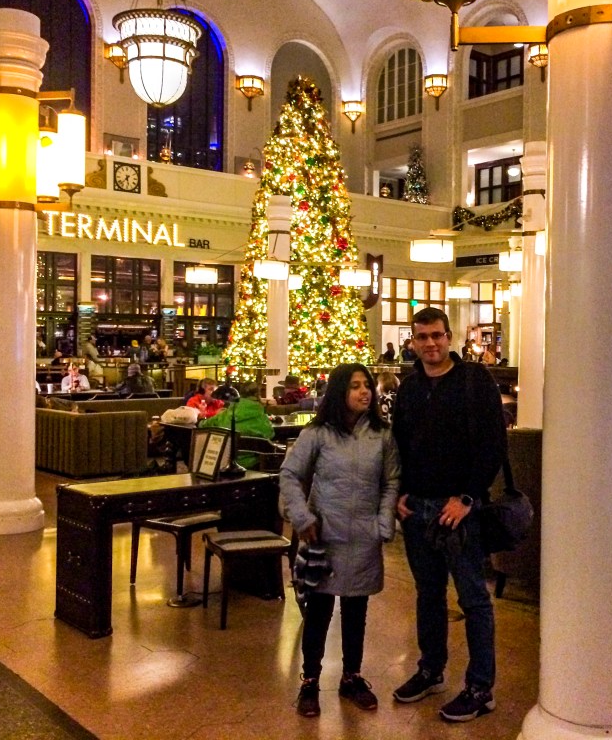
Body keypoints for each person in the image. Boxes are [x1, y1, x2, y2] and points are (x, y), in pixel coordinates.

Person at [391, 307, 506, 723]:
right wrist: (400, 492)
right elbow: (400, 444)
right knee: (428, 594)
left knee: (473, 598)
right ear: (413, 342)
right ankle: (431, 669)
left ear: (449, 337)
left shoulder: (474, 380)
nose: (430, 343)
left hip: (460, 510)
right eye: (422, 337)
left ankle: (480, 687)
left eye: (436, 335)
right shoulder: (409, 387)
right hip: (418, 509)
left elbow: (493, 444)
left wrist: (468, 497)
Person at [278, 363, 400, 718]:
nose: (364, 392)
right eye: (355, 386)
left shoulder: (381, 435)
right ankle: (310, 680)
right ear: (339, 392)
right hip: (325, 537)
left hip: (363, 537)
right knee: (318, 612)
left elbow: (391, 480)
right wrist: (302, 518)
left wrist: (383, 522)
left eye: (367, 386)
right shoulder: (318, 433)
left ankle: (352, 677)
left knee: (356, 611)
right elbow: (290, 474)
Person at [199, 382, 274, 468]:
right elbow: (270, 434)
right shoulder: (261, 415)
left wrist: (201, 419)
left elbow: (202, 425)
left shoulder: (226, 414)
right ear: (258, 395)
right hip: (254, 466)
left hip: (225, 464)